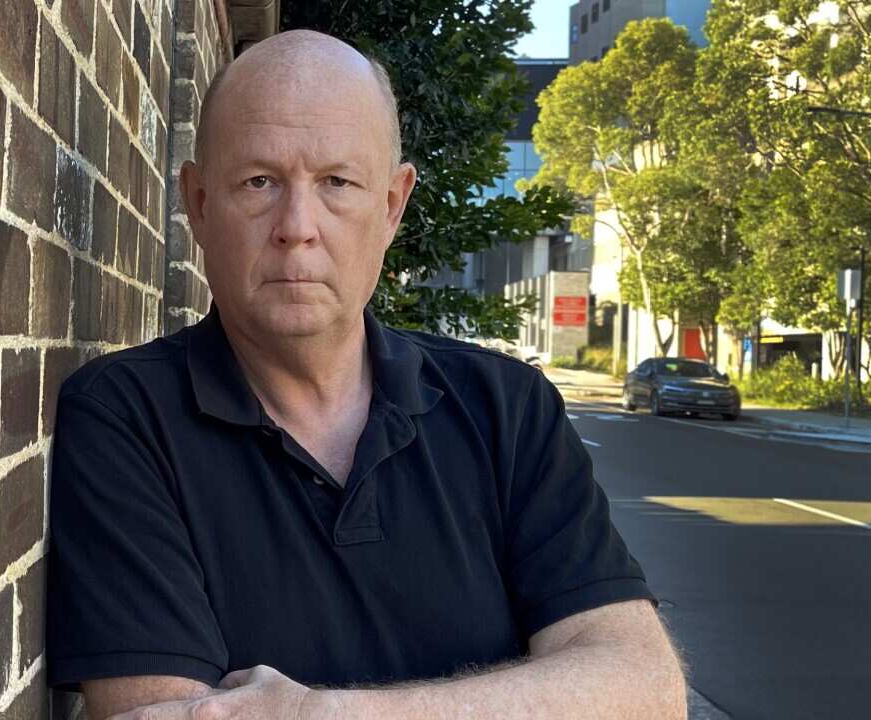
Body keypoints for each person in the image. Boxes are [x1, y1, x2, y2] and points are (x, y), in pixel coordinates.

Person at [46, 29, 686, 720]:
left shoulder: (509, 408)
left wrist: (312, 713)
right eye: (259, 181)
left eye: (337, 183)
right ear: (199, 204)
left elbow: (643, 689)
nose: (297, 226)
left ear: (391, 205)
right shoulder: (124, 417)